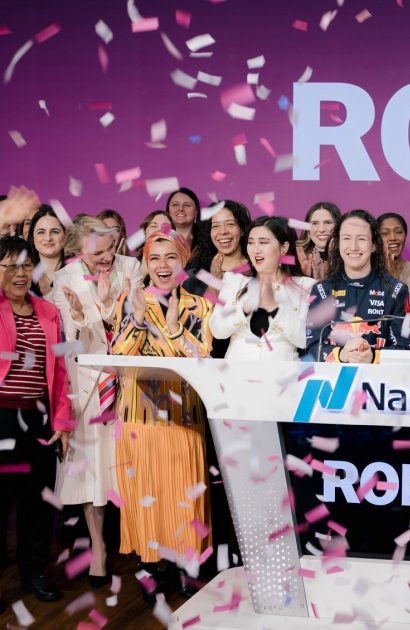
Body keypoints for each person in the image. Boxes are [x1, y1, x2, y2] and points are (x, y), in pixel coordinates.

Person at [109, 231, 212, 602]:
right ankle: (150, 566)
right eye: (155, 258)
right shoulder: (129, 299)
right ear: (145, 264)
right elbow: (117, 354)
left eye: (171, 257)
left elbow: (200, 356)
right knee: (145, 494)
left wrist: (172, 328)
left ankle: (186, 566)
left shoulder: (200, 307)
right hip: (138, 418)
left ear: (183, 262)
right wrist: (138, 319)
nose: (163, 266)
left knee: (184, 494)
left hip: (183, 418)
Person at [51, 216, 143, 589]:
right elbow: (70, 340)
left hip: (129, 381)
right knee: (93, 472)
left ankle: (142, 545)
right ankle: (99, 549)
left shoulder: (131, 267)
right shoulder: (64, 279)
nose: (107, 258)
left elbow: (139, 322)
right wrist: (80, 314)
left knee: (131, 466)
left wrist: (107, 308)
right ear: (77, 252)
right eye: (97, 253)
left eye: (110, 249)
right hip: (88, 384)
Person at [0, 237, 72, 603]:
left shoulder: (47, 311)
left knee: (38, 503)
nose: (19, 273)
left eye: (26, 266)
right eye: (10, 266)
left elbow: (60, 371)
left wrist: (61, 421)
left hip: (40, 420)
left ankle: (34, 573)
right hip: (2, 417)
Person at [305, 209, 410, 362]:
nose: (353, 247)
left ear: (374, 245)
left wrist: (373, 356)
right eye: (346, 238)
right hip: (333, 376)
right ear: (338, 243)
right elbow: (311, 348)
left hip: (378, 377)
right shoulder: (322, 291)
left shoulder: (396, 291)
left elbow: (407, 350)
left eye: (361, 239)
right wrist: (342, 354)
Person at [211, 216, 315, 361]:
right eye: (251, 243)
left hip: (282, 372)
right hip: (236, 371)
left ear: (283, 248)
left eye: (263, 242)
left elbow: (305, 340)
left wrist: (275, 310)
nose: (255, 250)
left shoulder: (306, 286)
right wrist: (243, 308)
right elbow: (217, 330)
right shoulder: (234, 280)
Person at [185, 200, 251, 298]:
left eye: (230, 224)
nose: (223, 232)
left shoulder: (258, 269)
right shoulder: (196, 276)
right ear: (209, 233)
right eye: (215, 226)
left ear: (241, 230)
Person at [27, 205, 66, 298]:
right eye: (41, 232)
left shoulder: (78, 270)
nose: (48, 238)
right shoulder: (23, 273)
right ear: (32, 237)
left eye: (55, 231)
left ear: (65, 235)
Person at [295, 202, 340, 281]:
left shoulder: (349, 257)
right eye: (315, 223)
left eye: (328, 222)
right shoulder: (295, 258)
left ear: (339, 226)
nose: (321, 229)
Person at [377, 212, 410, 283]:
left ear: (406, 235)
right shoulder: (367, 271)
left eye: (398, 232)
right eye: (385, 233)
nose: (393, 238)